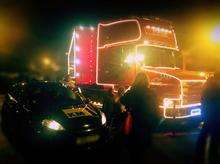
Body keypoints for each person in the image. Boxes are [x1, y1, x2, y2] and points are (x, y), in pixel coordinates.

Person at [120, 72, 159, 164]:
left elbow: (122, 100)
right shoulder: (151, 93)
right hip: (147, 125)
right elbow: (156, 109)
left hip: (134, 125)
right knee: (144, 151)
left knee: (134, 152)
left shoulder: (132, 92)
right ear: (147, 81)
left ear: (136, 80)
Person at [196, 71, 220, 164]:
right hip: (215, 115)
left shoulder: (208, 83)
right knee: (214, 138)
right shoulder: (216, 85)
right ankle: (212, 158)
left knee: (204, 135)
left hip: (208, 113)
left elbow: (203, 98)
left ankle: (199, 156)